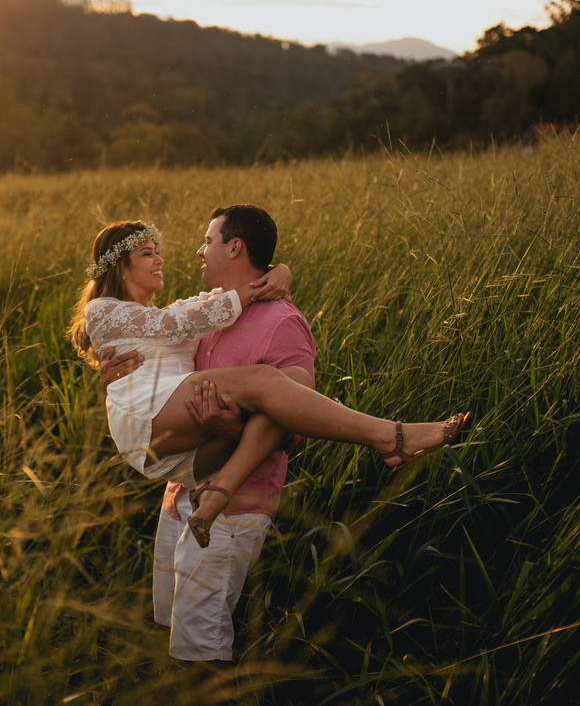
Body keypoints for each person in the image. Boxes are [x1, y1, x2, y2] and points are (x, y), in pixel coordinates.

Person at [66, 217, 471, 549]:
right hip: (146, 418)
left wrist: (280, 270)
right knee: (263, 380)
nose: (161, 260)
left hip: (189, 455)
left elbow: (209, 304)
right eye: (147, 253)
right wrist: (265, 281)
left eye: (157, 251)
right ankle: (390, 436)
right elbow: (180, 322)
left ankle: (217, 495)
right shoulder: (105, 310)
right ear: (120, 267)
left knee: (290, 383)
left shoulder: (174, 308)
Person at [100, 204, 316, 674]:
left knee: (203, 651)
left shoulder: (282, 322)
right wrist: (114, 380)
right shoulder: (209, 310)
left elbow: (294, 427)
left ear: (234, 246)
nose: (198, 249)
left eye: (208, 239)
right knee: (172, 630)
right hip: (180, 495)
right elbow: (158, 372)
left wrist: (233, 429)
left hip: (234, 509)